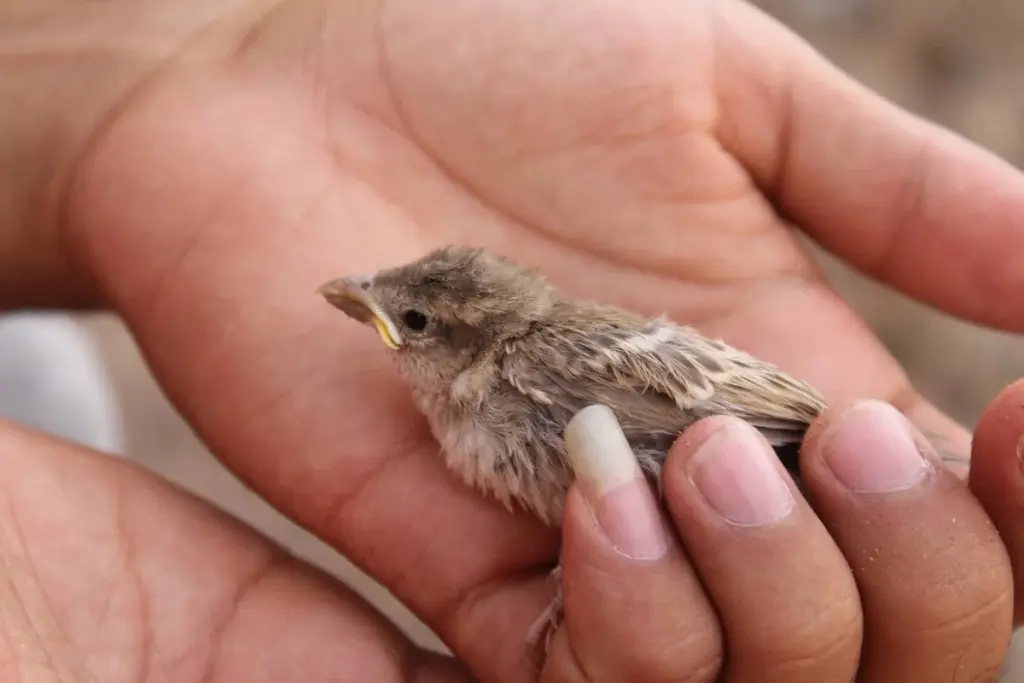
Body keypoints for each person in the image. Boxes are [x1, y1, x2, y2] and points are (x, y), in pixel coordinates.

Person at [2, 0, 1024, 680]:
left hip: (780, 448)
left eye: (410, 323)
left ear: (473, 342)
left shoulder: (531, 366)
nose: (378, 320)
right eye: (394, 307)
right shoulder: (476, 379)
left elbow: (724, 405)